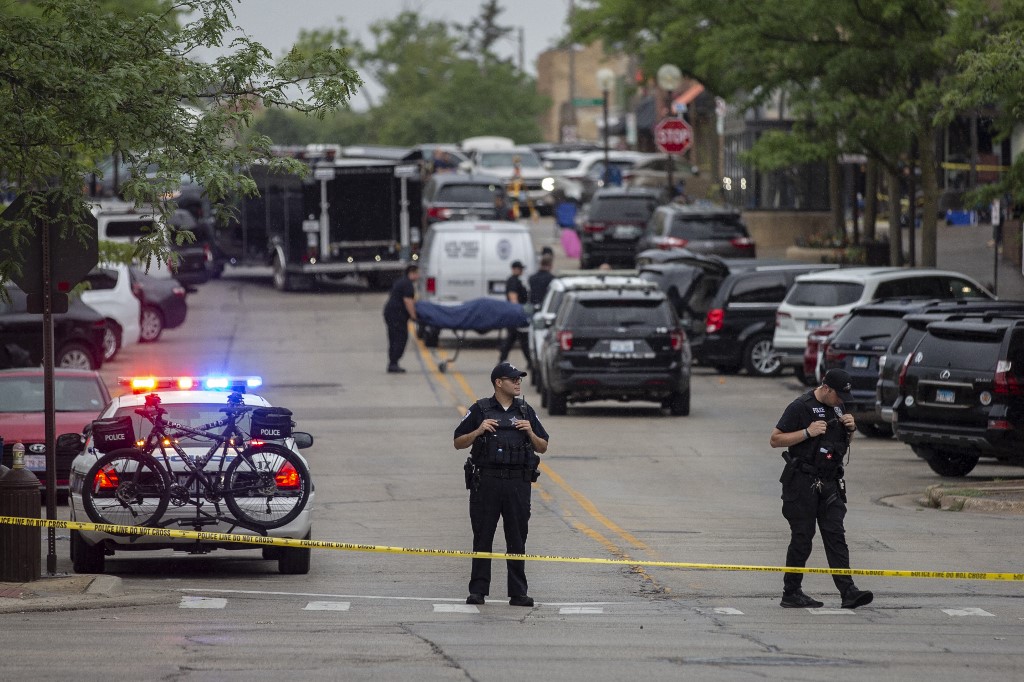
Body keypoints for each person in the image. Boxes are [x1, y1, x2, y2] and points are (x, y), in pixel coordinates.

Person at [769, 368, 874, 610]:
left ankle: (848, 591)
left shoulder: (839, 407)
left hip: (830, 483)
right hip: (802, 483)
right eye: (838, 396)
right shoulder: (800, 406)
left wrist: (851, 430)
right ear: (826, 389)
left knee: (836, 535)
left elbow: (840, 445)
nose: (841, 402)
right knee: (802, 538)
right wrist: (807, 432)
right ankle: (791, 592)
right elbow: (775, 439)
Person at [454, 362, 549, 606]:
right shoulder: (480, 409)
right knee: (482, 536)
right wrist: (478, 431)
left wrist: (530, 432)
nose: (518, 383)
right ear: (499, 382)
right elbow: (458, 442)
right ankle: (478, 590)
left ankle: (518, 592)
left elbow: (543, 446)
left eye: (519, 379)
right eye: (513, 379)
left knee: (517, 537)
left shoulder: (526, 411)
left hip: (518, 482)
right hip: (487, 481)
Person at [382, 264, 419, 373]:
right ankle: (393, 363)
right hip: (396, 315)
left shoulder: (401, 282)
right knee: (400, 338)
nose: (419, 275)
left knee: (393, 338)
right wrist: (414, 316)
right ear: (411, 273)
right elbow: (408, 301)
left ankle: (393, 363)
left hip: (391, 314)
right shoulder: (408, 285)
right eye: (417, 273)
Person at [498, 260, 531, 368]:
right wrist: (518, 312)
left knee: (512, 339)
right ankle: (530, 362)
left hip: (514, 314)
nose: (522, 271)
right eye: (520, 268)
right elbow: (513, 297)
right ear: (515, 269)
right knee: (522, 340)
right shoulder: (513, 281)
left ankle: (502, 359)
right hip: (515, 314)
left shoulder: (516, 280)